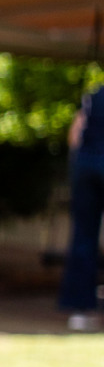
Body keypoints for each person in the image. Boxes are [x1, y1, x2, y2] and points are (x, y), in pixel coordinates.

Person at [61, 85, 104, 330]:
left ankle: (80, 310)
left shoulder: (94, 95)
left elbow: (76, 133)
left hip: (85, 165)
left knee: (83, 237)